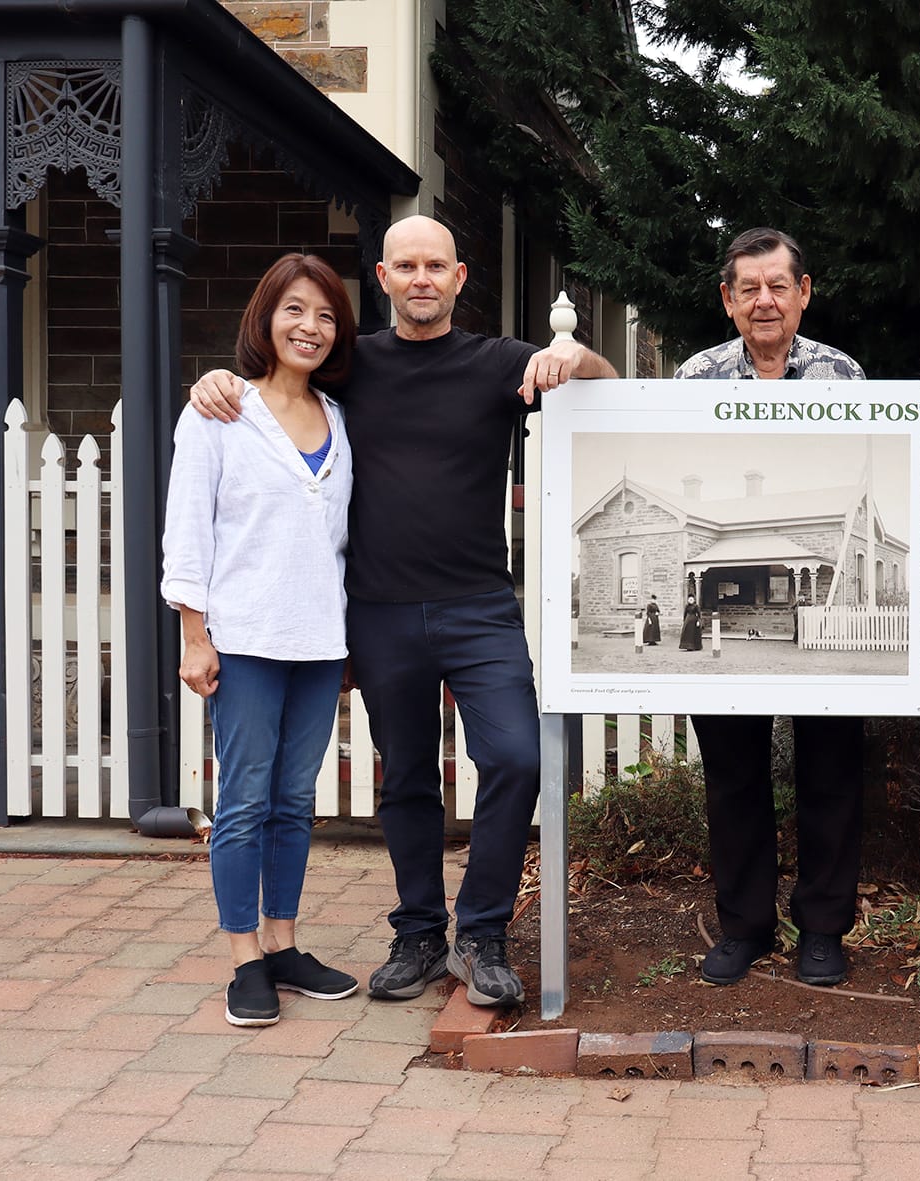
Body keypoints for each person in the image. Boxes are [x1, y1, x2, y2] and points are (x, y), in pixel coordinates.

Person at [187, 216, 617, 1010]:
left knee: (517, 757)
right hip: (379, 611)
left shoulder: (498, 363)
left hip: (480, 605)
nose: (422, 278)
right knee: (408, 776)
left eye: (437, 265)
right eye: (405, 265)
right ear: (383, 279)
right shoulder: (351, 369)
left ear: (459, 278)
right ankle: (418, 930)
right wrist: (216, 380)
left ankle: (482, 931)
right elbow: (273, 393)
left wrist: (571, 354)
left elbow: (607, 382)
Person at [161, 253, 359, 1027]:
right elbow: (189, 529)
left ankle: (284, 941)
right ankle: (244, 957)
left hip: (318, 642)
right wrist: (194, 635)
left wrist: (345, 646)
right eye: (294, 311)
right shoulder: (219, 412)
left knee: (294, 802)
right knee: (243, 802)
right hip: (242, 639)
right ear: (265, 319)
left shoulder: (339, 420)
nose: (309, 327)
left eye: (325, 316)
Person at [673, 227, 866, 988]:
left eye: (778, 286)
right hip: (736, 536)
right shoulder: (692, 379)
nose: (764, 301)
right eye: (747, 288)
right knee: (733, 773)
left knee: (831, 770)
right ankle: (744, 925)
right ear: (727, 300)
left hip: (819, 620)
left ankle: (823, 927)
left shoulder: (845, 376)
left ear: (803, 292)